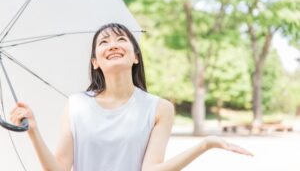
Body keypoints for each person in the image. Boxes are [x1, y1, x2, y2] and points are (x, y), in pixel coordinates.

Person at [10, 23, 253, 171]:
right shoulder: (76, 105)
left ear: (135, 56)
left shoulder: (159, 108)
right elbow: (58, 170)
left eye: (121, 39)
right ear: (95, 62)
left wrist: (205, 145)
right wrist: (33, 131)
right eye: (104, 42)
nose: (113, 45)